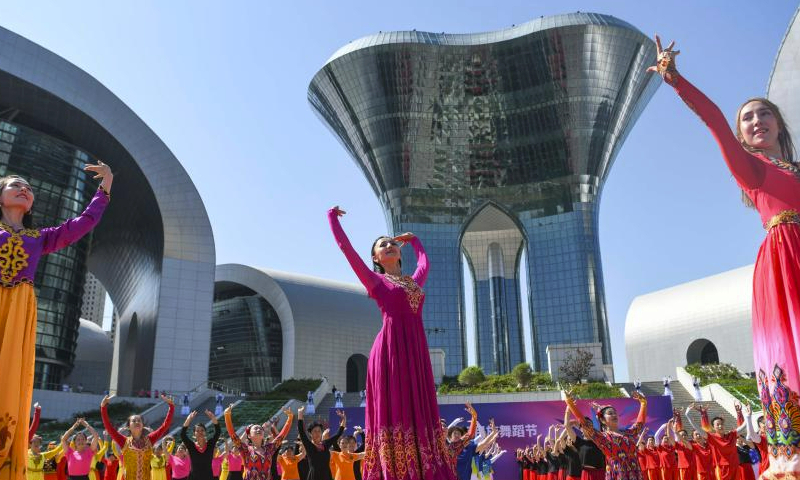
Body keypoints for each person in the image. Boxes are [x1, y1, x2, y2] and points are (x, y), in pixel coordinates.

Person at [651, 34, 800, 480]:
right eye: (748, 118)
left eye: (764, 113)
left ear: (779, 124)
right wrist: (676, 80)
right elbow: (715, 119)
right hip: (785, 260)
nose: (757, 121)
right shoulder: (753, 168)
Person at [0, 164, 112, 479]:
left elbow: (83, 223)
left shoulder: (40, 238)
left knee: (8, 380)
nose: (24, 189)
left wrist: (105, 187)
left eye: (28, 187)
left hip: (18, 312)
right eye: (15, 185)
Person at [328, 206, 454, 479]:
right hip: (390, 351)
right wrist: (332, 219)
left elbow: (424, 264)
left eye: (391, 243)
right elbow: (347, 250)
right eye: (381, 245)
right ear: (375, 258)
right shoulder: (375, 281)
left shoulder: (413, 282)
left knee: (418, 405)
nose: (388, 246)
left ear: (398, 252)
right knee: (396, 407)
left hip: (415, 350)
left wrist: (415, 241)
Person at [565, 390, 647, 480]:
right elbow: (584, 423)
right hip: (617, 476)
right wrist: (570, 404)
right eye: (610, 413)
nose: (614, 415)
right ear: (602, 420)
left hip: (636, 475)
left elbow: (640, 424)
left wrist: (643, 403)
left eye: (615, 413)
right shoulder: (602, 437)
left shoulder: (629, 433)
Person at [100, 394, 175, 480]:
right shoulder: (124, 441)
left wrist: (171, 407)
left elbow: (165, 426)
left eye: (139, 420)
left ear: (142, 425)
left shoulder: (150, 439)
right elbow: (109, 428)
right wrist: (103, 407)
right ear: (129, 426)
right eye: (133, 421)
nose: (137, 422)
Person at [224, 404, 293, 479]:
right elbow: (233, 435)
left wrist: (290, 418)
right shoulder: (245, 449)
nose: (259, 429)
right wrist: (227, 415)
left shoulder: (269, 448)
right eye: (255, 428)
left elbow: (281, 436)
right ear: (249, 435)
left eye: (260, 428)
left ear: (263, 435)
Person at [684, 404, 744, 480]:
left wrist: (748, 415)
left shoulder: (732, 435)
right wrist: (688, 415)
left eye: (721, 424)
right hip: (722, 468)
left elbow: (744, 427)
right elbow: (698, 429)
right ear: (713, 427)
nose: (720, 426)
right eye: (717, 425)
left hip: (735, 466)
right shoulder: (712, 437)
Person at [296, 405, 344, 480]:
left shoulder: (325, 444)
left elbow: (338, 434)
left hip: (326, 476)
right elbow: (301, 432)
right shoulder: (309, 446)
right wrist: (300, 414)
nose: (317, 433)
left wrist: (343, 419)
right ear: (310, 434)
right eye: (315, 431)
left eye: (319, 431)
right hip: (314, 476)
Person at [180, 410, 221, 480]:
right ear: (194, 434)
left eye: (202, 430)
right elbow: (182, 434)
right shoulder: (191, 446)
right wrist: (188, 419)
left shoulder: (210, 444)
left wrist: (213, 418)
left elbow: (218, 432)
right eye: (197, 431)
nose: (200, 432)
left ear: (205, 432)